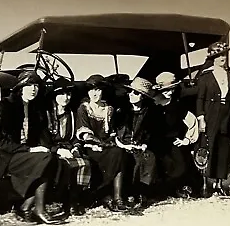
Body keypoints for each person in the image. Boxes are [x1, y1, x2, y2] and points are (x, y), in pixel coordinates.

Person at [0, 70, 64, 225]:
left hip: (21, 154)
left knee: (54, 160)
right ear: (20, 88)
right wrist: (30, 150)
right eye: (29, 85)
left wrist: (56, 149)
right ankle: (39, 210)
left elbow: (44, 139)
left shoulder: (35, 109)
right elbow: (0, 143)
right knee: (45, 159)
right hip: (3, 155)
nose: (33, 89)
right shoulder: (7, 107)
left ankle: (26, 206)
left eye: (36, 86)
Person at [75, 74, 128, 212]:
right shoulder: (84, 108)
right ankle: (103, 194)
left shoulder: (108, 109)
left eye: (98, 90)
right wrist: (100, 144)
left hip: (105, 146)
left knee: (118, 152)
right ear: (87, 92)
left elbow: (111, 132)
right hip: (89, 146)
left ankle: (118, 198)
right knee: (107, 154)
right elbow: (85, 134)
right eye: (91, 90)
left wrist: (110, 142)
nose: (94, 93)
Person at [196, 42, 230, 197]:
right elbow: (200, 98)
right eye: (218, 55)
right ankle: (205, 185)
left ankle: (220, 184)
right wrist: (201, 117)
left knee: (224, 148)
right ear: (213, 58)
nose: (222, 58)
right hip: (211, 114)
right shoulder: (206, 76)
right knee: (208, 147)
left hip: (227, 115)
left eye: (224, 55)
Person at [46, 77, 92, 216]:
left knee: (84, 163)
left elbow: (75, 136)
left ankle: (73, 200)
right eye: (61, 94)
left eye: (68, 94)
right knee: (63, 165)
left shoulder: (71, 113)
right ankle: (57, 200)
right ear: (55, 95)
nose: (65, 98)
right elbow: (43, 139)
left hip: (67, 147)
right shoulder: (47, 113)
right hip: (51, 148)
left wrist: (75, 147)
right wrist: (57, 150)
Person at [152, 72, 199, 198]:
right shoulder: (152, 104)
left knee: (180, 165)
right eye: (166, 90)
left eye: (172, 89)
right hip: (154, 142)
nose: (170, 92)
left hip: (172, 141)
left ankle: (178, 189)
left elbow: (192, 121)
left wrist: (186, 140)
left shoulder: (178, 105)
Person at [115, 77, 157, 208]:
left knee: (148, 158)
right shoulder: (121, 112)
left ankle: (142, 194)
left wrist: (145, 144)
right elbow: (115, 132)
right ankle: (127, 194)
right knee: (126, 159)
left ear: (143, 97)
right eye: (131, 92)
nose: (132, 95)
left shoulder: (150, 113)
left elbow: (153, 133)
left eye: (136, 93)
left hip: (140, 145)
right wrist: (123, 144)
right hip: (123, 144)